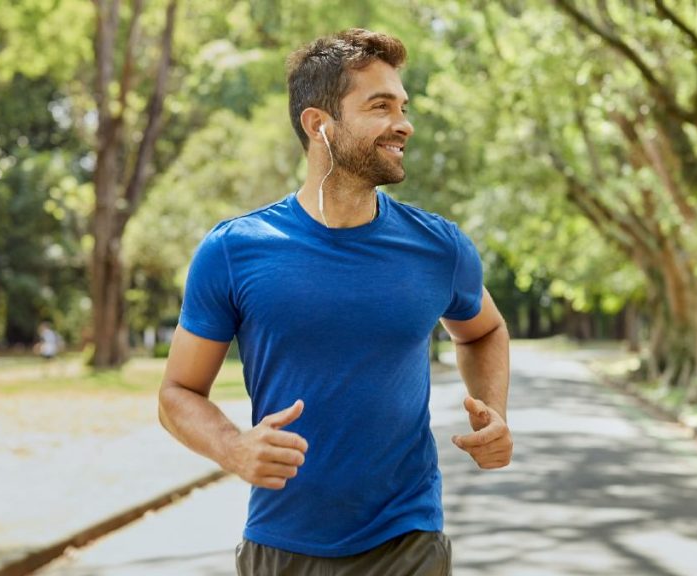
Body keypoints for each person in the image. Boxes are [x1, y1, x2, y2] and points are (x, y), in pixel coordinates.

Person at [158, 28, 512, 575]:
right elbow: (177, 392)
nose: (404, 123)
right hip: (281, 544)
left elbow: (483, 330)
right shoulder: (234, 251)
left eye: (403, 106)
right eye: (380, 106)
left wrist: (493, 409)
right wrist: (231, 447)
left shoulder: (438, 246)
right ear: (319, 125)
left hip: (407, 540)